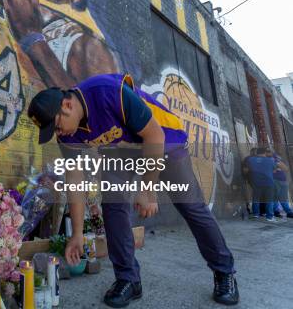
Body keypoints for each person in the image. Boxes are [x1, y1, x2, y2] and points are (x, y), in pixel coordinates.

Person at [27, 73, 239, 307]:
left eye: (57, 126)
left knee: (190, 205)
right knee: (113, 205)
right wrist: (77, 234)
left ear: (67, 105)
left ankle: (224, 272)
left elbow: (154, 135)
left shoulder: (106, 91)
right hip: (122, 150)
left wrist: (147, 189)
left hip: (164, 140)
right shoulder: (69, 135)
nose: (59, 134)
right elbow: (75, 182)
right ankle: (128, 280)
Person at [245, 147, 277, 221]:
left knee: (256, 198)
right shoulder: (270, 160)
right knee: (269, 200)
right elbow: (274, 170)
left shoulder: (250, 160)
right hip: (268, 182)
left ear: (257, 153)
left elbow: (247, 170)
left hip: (256, 182)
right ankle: (269, 217)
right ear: (265, 153)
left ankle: (256, 214)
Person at [269, 150, 293, 218]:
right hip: (276, 180)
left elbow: (286, 168)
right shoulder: (271, 158)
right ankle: (278, 212)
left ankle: (286, 212)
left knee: (282, 197)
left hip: (282, 179)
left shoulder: (276, 157)